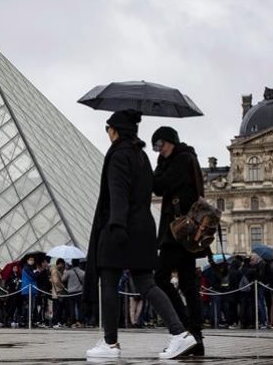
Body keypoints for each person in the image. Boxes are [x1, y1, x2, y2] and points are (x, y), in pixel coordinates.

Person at [83, 109, 197, 360]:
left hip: (120, 226)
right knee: (147, 283)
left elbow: (118, 194)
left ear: (116, 131)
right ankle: (180, 334)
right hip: (144, 227)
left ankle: (110, 343)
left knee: (110, 282)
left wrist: (116, 226)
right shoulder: (141, 155)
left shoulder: (119, 156)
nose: (107, 132)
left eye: (108, 128)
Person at [150, 126, 209, 354]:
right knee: (188, 284)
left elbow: (159, 186)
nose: (159, 149)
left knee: (161, 278)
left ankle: (185, 329)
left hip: (178, 232)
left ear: (171, 141)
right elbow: (160, 187)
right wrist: (161, 163)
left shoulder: (182, 160)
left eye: (160, 144)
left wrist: (159, 167)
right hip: (185, 232)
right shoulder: (184, 158)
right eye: (155, 146)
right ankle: (196, 338)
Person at [61, 259, 85, 328]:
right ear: (79, 264)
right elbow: (84, 282)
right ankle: (80, 321)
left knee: (72, 307)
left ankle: (73, 321)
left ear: (72, 263)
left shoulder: (69, 272)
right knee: (80, 307)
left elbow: (63, 279)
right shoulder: (82, 272)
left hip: (71, 292)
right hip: (80, 292)